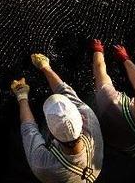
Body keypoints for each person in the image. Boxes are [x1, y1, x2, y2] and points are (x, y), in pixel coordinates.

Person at [12, 53, 103, 183]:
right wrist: (45, 67)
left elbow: (29, 129)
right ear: (81, 119)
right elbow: (67, 93)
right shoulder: (90, 120)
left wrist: (21, 94)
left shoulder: (43, 165)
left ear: (51, 134)